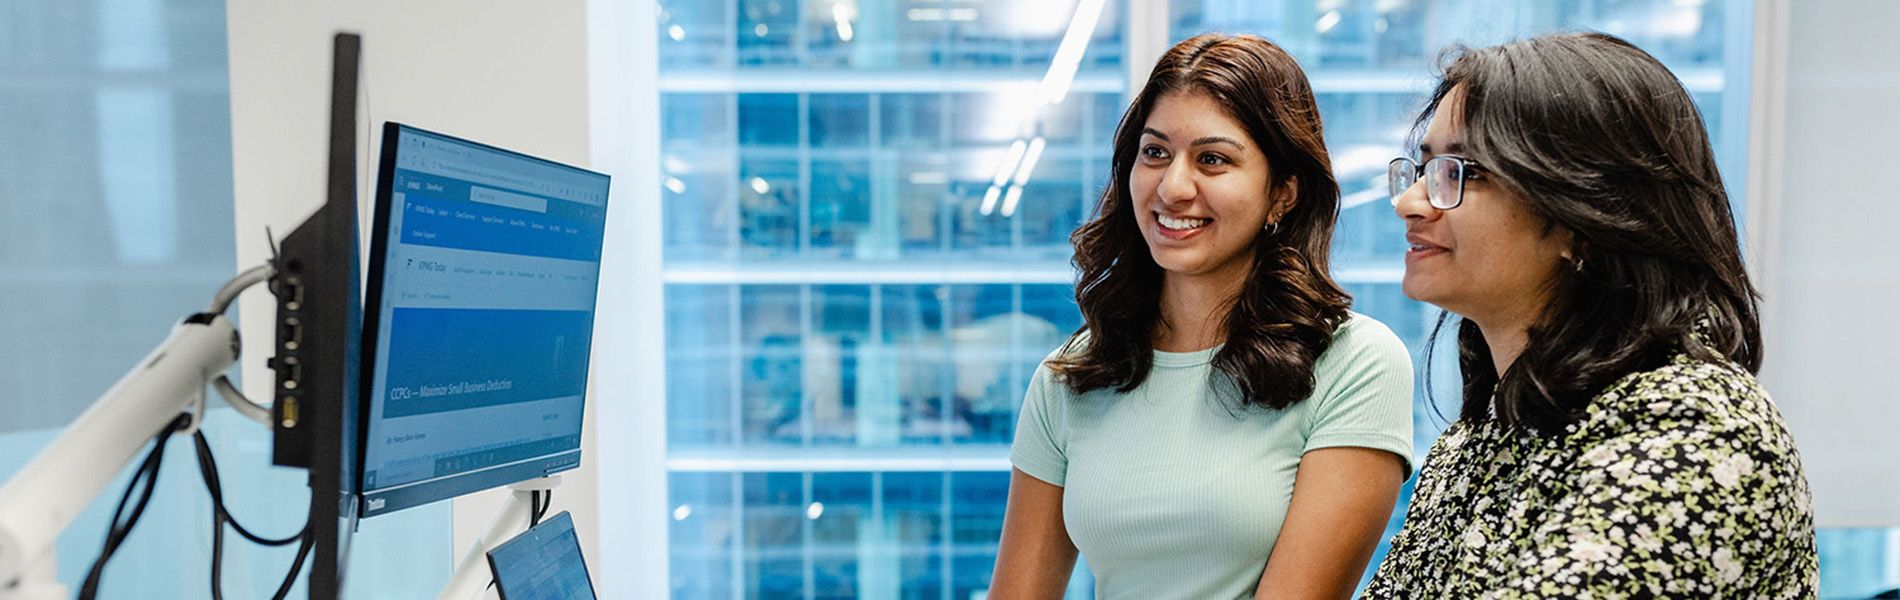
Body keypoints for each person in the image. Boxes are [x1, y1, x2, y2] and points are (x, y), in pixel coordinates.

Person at [1363, 32, 1817, 597]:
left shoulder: (1697, 429)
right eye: (1424, 169)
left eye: (1461, 172)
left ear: (1586, 214)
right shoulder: (1475, 440)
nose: (1410, 203)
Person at [989, 33, 1415, 599]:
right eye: (1155, 152)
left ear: (1282, 193)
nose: (1172, 186)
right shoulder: (1072, 374)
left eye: (1212, 159)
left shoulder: (1355, 362)